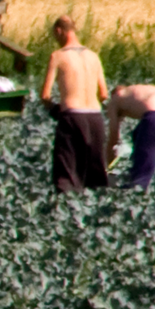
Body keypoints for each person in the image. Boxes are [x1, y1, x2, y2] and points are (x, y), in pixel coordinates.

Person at [40, 16, 109, 193]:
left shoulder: (58, 56)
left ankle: (66, 209)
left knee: (67, 170)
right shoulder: (94, 56)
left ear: (58, 31)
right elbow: (103, 94)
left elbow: (45, 95)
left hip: (72, 115)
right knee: (95, 172)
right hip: (95, 117)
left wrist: (55, 110)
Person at [107, 82, 155, 191]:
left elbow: (113, 139)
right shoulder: (142, 90)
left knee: (142, 172)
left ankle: (136, 192)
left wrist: (106, 164)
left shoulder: (116, 99)